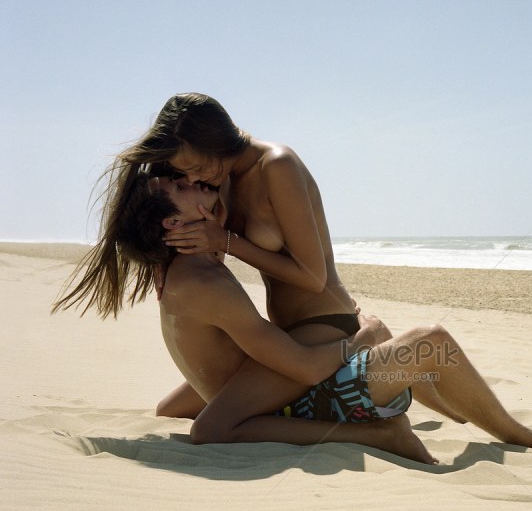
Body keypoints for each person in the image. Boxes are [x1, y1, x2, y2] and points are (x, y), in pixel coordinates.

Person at [55, 173, 532, 460]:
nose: (196, 182)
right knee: (431, 341)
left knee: (179, 408)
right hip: (314, 398)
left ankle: (429, 393)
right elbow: (304, 372)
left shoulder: (176, 269)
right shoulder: (207, 280)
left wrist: (215, 224)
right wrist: (358, 339)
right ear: (174, 222)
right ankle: (513, 436)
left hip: (276, 388)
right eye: (182, 185)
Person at [95, 92, 460, 423]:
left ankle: (377, 344)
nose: (193, 177)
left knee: (219, 423)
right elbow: (169, 212)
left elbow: (313, 277)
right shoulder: (217, 179)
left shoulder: (277, 164)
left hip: (325, 321)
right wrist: (163, 260)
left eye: (195, 166)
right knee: (169, 411)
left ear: (217, 141)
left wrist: (226, 240)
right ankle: (416, 385)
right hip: (285, 332)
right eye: (183, 173)